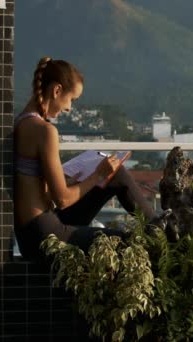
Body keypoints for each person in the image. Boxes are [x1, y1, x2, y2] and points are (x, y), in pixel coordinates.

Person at [14, 57, 158, 261]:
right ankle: (161, 233)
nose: (69, 108)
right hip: (45, 235)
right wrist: (98, 174)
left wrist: (77, 180)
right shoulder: (45, 131)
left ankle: (157, 228)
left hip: (33, 231)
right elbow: (62, 200)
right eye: (71, 99)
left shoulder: (23, 122)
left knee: (116, 175)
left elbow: (39, 188)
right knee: (130, 243)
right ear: (56, 91)